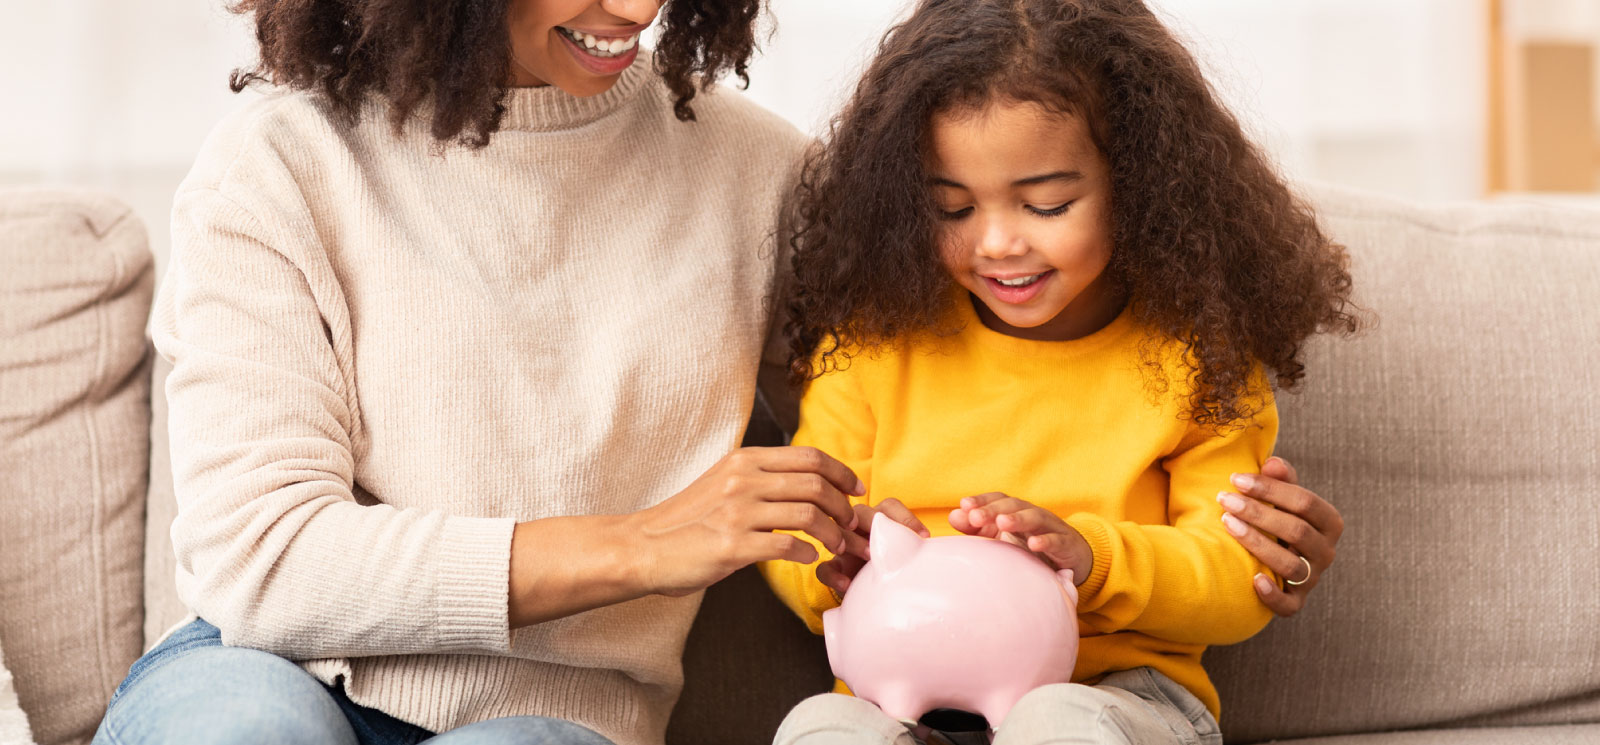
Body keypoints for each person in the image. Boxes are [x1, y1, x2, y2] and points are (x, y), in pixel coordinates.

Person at [92, 1, 1345, 744]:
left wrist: (1231, 546)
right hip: (272, 669)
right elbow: (261, 563)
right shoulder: (280, 164)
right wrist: (642, 544)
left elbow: (939, 410)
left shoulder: (771, 181)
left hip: (560, 713)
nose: (636, 3)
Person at [760, 1, 1361, 744]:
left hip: (1118, 696)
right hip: (896, 696)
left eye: (1046, 204)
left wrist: (1094, 560)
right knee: (817, 727)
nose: (998, 243)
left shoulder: (1197, 359)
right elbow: (797, 530)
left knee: (1056, 722)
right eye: (952, 209)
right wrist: (835, 561)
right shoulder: (874, 345)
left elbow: (1243, 579)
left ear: (1140, 186)